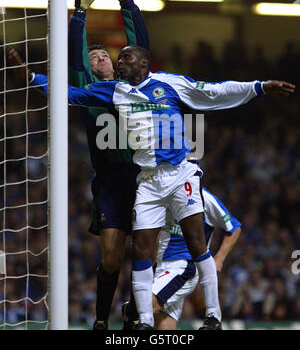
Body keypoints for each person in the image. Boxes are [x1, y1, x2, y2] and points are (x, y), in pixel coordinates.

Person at [29, 45, 295, 329]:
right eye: (118, 58)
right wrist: (31, 77)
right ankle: (144, 321)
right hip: (148, 181)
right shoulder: (115, 91)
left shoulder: (170, 83)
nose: (120, 62)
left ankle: (213, 316)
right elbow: (70, 94)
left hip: (180, 174)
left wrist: (260, 87)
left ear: (144, 63)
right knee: (140, 248)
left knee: (196, 242)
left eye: (126, 57)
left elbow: (216, 92)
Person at [8, 0, 149, 331]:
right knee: (112, 256)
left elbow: (141, 48)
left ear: (118, 63)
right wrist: (80, 14)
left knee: (145, 253)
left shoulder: (133, 87)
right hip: (109, 182)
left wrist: (127, 3)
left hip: (145, 178)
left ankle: (134, 315)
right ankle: (102, 319)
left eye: (106, 55)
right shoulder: (89, 91)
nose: (100, 58)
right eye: (95, 55)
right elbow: (75, 57)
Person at [152, 185, 242, 330]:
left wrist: (219, 258)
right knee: (164, 327)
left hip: (182, 267)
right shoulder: (163, 192)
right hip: (160, 266)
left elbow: (234, 227)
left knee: (142, 307)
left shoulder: (204, 198)